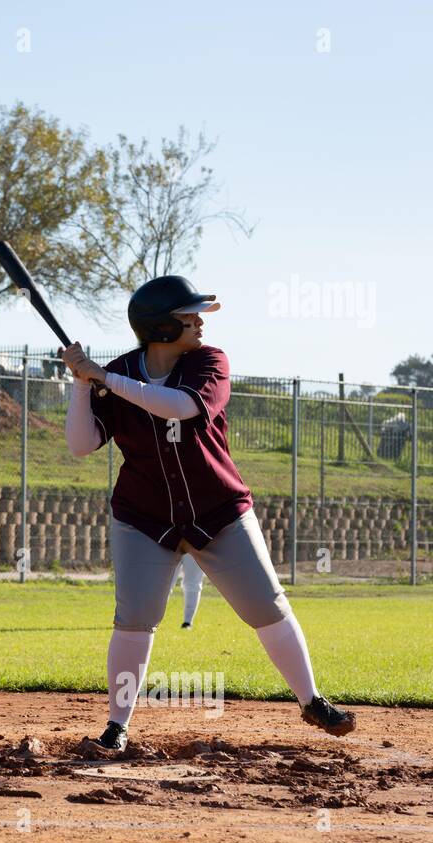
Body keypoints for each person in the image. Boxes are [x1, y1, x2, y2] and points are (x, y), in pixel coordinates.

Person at [61, 275, 356, 754]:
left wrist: (106, 379)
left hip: (218, 510)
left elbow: (180, 407)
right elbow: (82, 445)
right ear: (159, 326)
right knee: (134, 617)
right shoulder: (112, 373)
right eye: (187, 316)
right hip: (144, 516)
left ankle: (312, 700)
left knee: (266, 604)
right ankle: (117, 727)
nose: (199, 322)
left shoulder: (209, 362)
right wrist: (81, 385)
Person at [171, 552, 204, 629]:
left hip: (194, 545)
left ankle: (187, 622)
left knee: (193, 583)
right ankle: (153, 620)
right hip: (170, 544)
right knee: (165, 583)